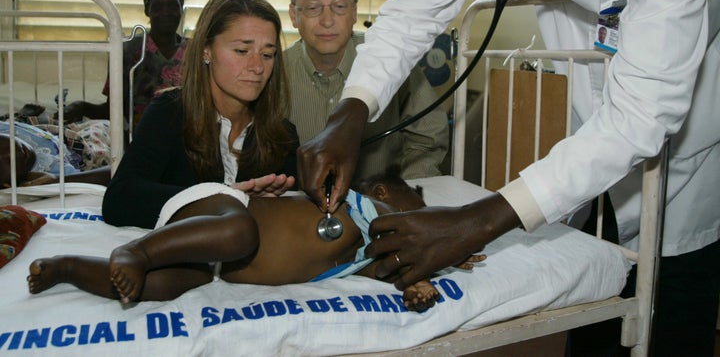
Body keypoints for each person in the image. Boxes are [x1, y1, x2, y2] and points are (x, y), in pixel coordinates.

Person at [296, 0, 720, 355]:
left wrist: (475, 221)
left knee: (670, 303)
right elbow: (411, 17)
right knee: (592, 291)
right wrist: (352, 110)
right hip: (592, 83)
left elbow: (641, 116)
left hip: (682, 105)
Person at [27, 166, 484, 311]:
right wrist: (451, 232)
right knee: (239, 232)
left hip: (217, 263)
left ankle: (67, 267)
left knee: (160, 288)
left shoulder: (364, 251)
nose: (420, 215)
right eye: (417, 203)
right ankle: (136, 249)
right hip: (222, 211)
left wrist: (419, 278)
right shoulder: (368, 206)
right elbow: (403, 233)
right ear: (384, 191)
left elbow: (383, 268)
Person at [101, 0, 299, 230]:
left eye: (268, 54)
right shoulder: (170, 113)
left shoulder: (281, 134)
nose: (257, 66)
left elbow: (297, 212)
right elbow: (119, 200)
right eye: (242, 51)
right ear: (207, 51)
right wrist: (219, 199)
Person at [285, 0, 449, 182]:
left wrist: (407, 187)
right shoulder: (274, 73)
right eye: (313, 8)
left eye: (339, 6)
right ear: (294, 15)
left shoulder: (391, 57)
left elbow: (429, 133)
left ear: (354, 12)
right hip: (300, 205)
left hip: (382, 203)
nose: (327, 20)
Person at [62, 0, 189, 134]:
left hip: (188, 138)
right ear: (147, 11)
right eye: (158, 6)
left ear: (181, 9)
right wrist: (80, 106)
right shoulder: (128, 51)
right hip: (141, 140)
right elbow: (112, 110)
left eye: (172, 6)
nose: (166, 12)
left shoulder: (196, 51)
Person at [0, 120, 110, 188]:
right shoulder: (43, 177)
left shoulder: (5, 129)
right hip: (86, 152)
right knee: (104, 127)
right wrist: (56, 180)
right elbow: (114, 172)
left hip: (59, 130)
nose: (9, 153)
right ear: (7, 185)